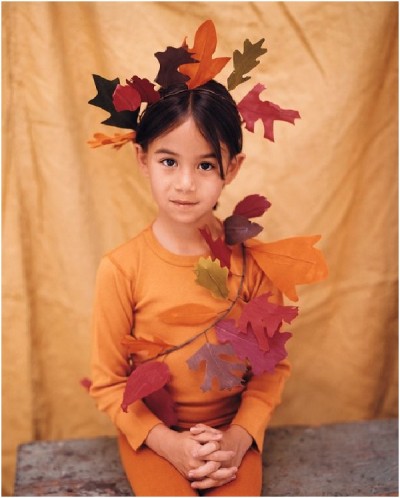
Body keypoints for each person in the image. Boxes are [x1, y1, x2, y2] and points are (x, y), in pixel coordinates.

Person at [88, 20, 326, 496]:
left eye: (205, 165)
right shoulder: (121, 269)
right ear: (142, 159)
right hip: (153, 435)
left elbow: (270, 367)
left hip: (231, 436)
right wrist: (170, 446)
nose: (184, 184)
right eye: (168, 161)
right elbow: (109, 383)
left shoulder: (253, 266)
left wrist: (237, 440)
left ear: (231, 169)